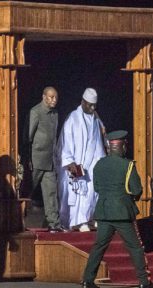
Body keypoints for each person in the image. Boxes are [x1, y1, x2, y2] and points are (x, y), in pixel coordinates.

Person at [81, 130, 150, 288]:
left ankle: (87, 280)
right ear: (122, 146)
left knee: (99, 247)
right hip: (122, 213)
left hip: (104, 212)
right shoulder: (127, 165)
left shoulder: (99, 164)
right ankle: (143, 281)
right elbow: (136, 189)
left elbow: (97, 187)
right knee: (135, 247)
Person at [56, 87, 106, 231]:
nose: (92, 108)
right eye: (89, 105)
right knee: (77, 192)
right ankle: (77, 222)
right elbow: (66, 141)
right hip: (75, 163)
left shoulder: (96, 120)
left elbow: (98, 142)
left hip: (92, 164)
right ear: (82, 102)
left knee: (92, 191)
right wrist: (70, 161)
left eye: (94, 105)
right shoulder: (73, 118)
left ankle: (89, 219)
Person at [27, 87, 67, 233]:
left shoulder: (55, 114)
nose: (53, 100)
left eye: (56, 97)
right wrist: (28, 158)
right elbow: (28, 137)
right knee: (26, 191)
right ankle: (17, 220)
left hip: (49, 161)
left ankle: (54, 224)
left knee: (51, 192)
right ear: (44, 97)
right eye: (50, 97)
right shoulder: (36, 112)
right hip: (36, 160)